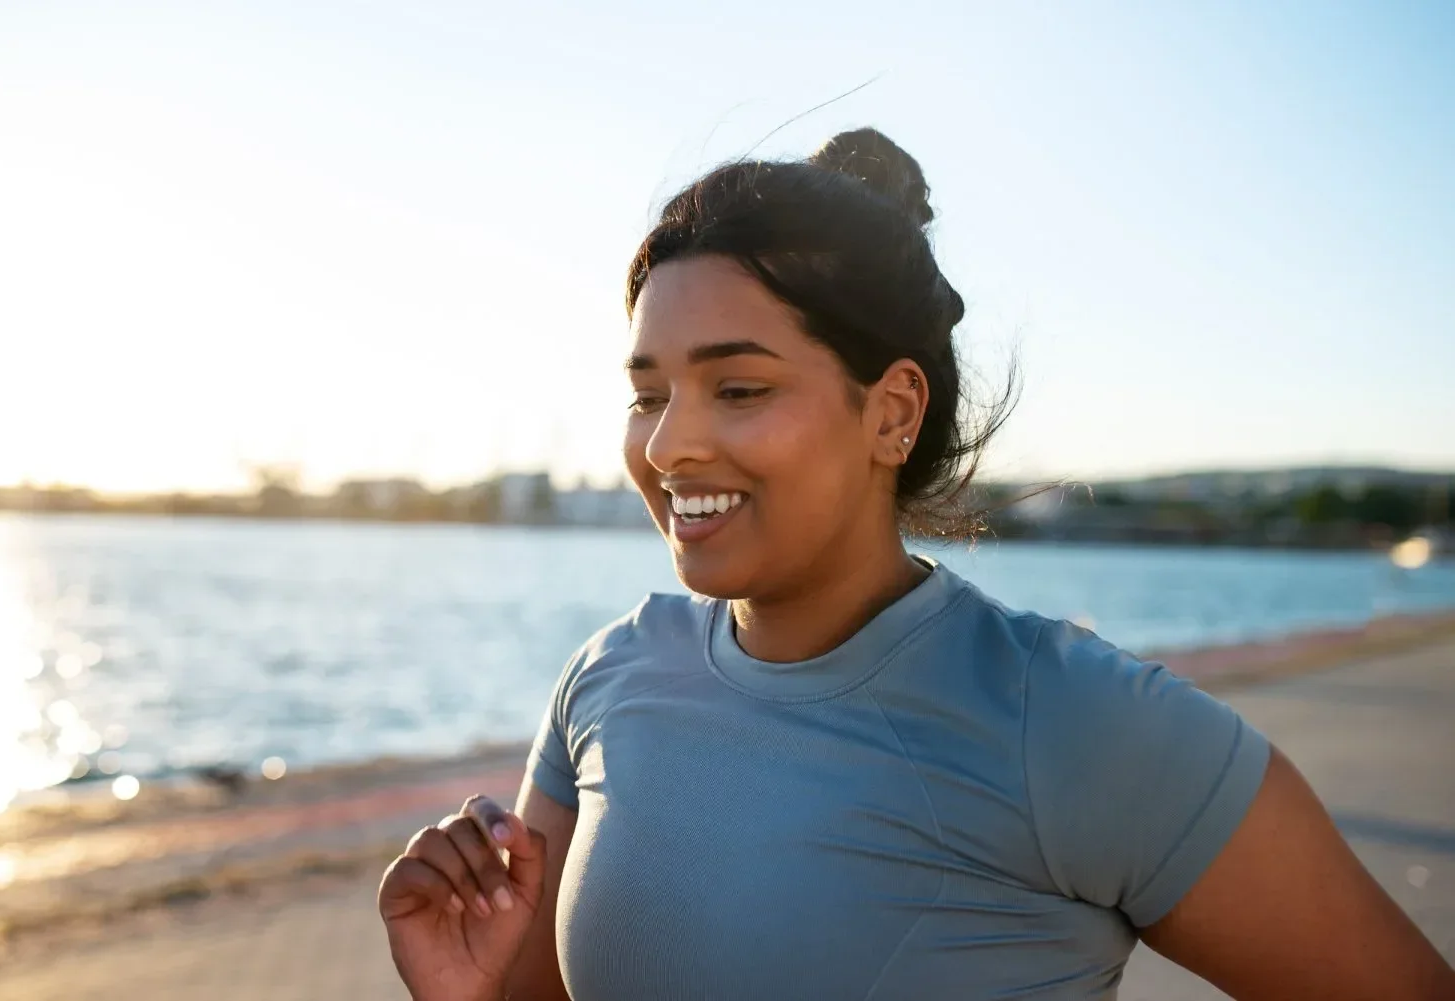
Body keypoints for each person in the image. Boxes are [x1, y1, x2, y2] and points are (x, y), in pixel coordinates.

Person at [377, 129, 1455, 1000]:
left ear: (890, 410)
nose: (667, 446)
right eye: (649, 393)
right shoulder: (607, 677)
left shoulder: (1073, 721)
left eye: (737, 388)